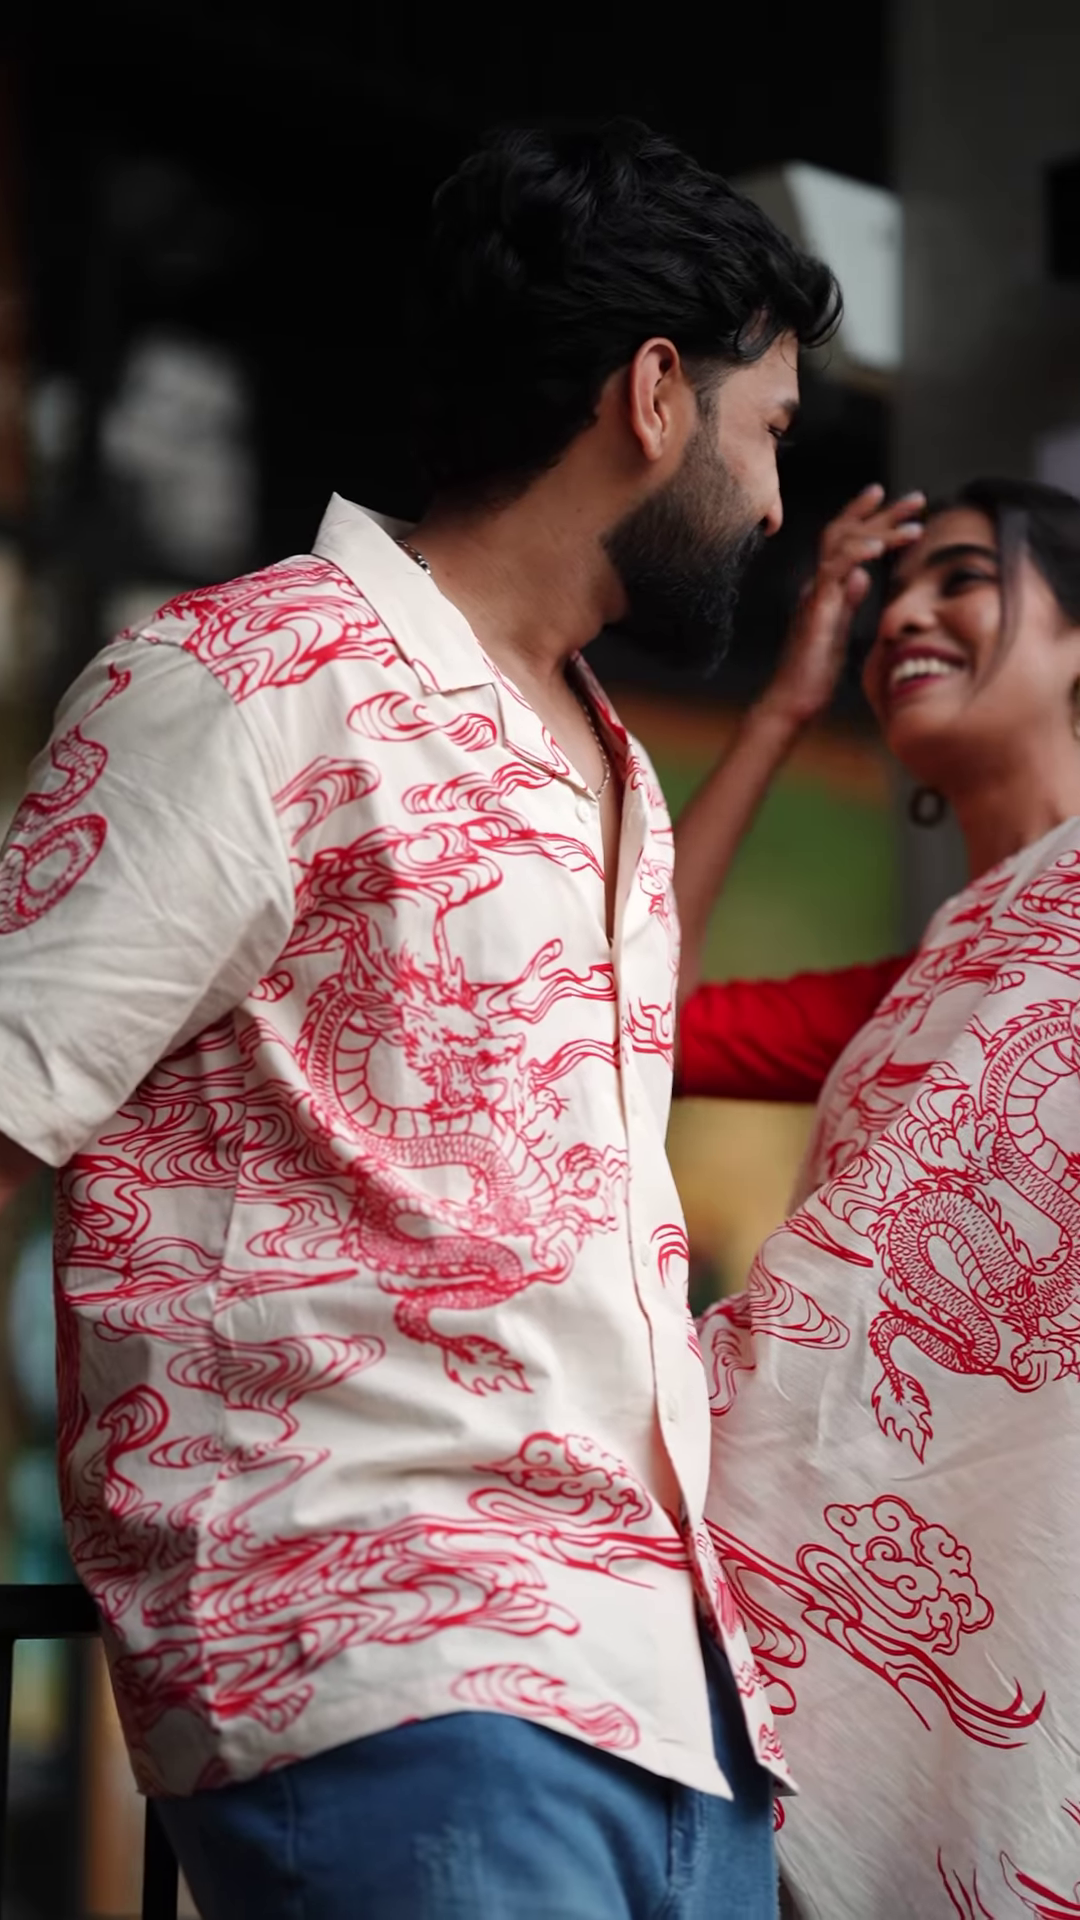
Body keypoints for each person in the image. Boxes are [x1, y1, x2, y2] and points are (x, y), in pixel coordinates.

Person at [0, 118, 848, 1920]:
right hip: (390, 1663)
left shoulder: (610, 772)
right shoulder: (249, 683)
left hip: (682, 1717)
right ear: (655, 397)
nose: (780, 506)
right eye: (772, 431)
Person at [676, 477, 1080, 1917]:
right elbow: (612, 1019)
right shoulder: (903, 1002)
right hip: (879, 1625)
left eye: (965, 577)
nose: (904, 610)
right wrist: (783, 707)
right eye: (888, 597)